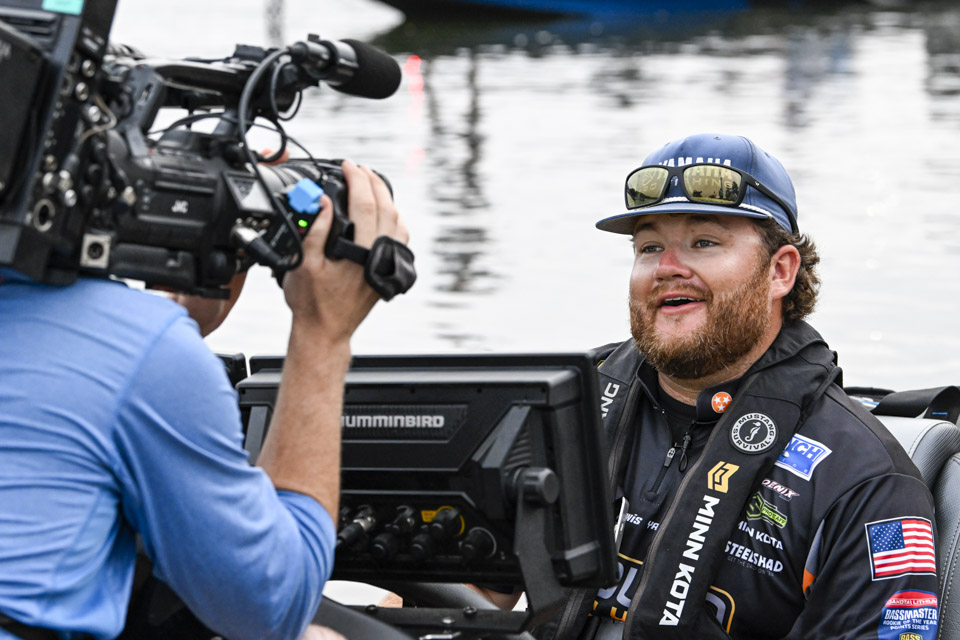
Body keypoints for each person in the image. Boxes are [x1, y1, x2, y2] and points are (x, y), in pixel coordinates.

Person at [496, 133, 940, 639]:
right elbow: (464, 597)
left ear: (780, 271)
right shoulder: (564, 406)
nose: (667, 268)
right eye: (649, 247)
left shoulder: (867, 479)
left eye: (704, 242)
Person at [0, 160, 408, 640]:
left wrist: (178, 326)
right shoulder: (139, 348)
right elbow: (269, 610)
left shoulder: (134, 349)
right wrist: (323, 332)